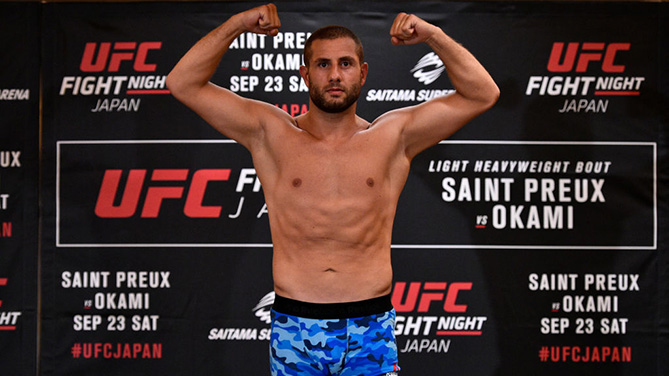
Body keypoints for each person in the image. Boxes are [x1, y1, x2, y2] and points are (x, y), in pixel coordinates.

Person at [167, 3, 499, 375]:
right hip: (295, 327)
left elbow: (482, 94)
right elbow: (182, 83)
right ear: (305, 74)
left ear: (363, 72)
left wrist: (434, 35)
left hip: (370, 328)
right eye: (323, 65)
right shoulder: (270, 133)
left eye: (345, 63)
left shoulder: (393, 136)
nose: (335, 75)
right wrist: (237, 24)